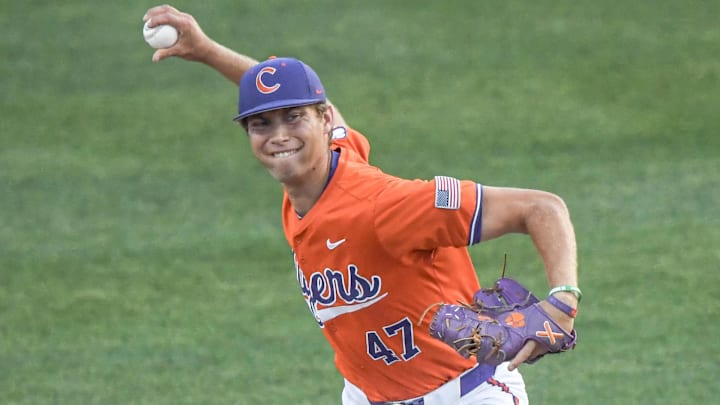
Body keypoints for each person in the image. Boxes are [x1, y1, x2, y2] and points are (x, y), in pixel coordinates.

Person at [143, 5, 580, 404]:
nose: (279, 136)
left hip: (466, 396)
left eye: (294, 118)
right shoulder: (316, 172)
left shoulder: (386, 206)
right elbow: (276, 91)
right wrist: (205, 51)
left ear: (324, 119)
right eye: (261, 124)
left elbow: (542, 208)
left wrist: (563, 302)